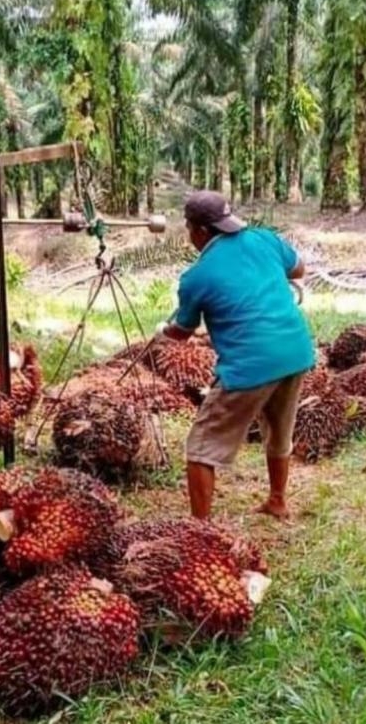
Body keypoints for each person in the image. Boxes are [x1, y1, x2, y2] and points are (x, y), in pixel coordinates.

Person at [157, 190, 315, 520]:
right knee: (279, 430)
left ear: (198, 231)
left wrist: (163, 331)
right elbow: (298, 269)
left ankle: (200, 529)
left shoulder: (197, 277)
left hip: (250, 365)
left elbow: (182, 333)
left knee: (201, 448)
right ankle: (277, 501)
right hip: (296, 351)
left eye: (189, 229)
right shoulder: (264, 239)